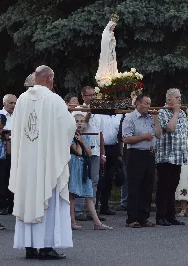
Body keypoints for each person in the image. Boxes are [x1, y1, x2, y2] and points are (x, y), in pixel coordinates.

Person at [9, 65, 76, 260]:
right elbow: (69, 125)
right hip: (47, 161)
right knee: (48, 199)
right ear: (49, 78)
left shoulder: (21, 99)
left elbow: (16, 129)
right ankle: (46, 246)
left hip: (27, 162)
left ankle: (29, 246)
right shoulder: (54, 99)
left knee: (28, 199)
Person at [122, 94, 162, 228]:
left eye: (149, 103)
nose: (148, 106)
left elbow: (158, 134)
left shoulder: (151, 118)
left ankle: (143, 217)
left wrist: (156, 120)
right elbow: (126, 139)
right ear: (138, 103)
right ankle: (132, 218)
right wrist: (143, 137)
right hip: (135, 154)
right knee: (135, 186)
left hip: (149, 154)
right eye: (146, 103)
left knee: (147, 186)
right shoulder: (130, 118)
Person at [69, 113, 113, 230]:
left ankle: (97, 222)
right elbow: (78, 151)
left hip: (84, 165)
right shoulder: (70, 136)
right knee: (72, 194)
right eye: (77, 121)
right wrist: (78, 141)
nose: (79, 123)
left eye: (81, 121)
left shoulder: (86, 136)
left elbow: (88, 152)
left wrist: (82, 140)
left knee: (89, 194)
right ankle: (72, 221)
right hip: (74, 165)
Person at [155, 89, 188, 226]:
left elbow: (186, 132)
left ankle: (171, 216)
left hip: (178, 155)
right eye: (177, 97)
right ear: (169, 100)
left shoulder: (182, 113)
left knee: (173, 186)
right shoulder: (162, 112)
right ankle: (160, 216)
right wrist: (175, 113)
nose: (180, 99)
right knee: (163, 186)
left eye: (180, 97)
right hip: (165, 155)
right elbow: (170, 128)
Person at [73, 86, 105, 222]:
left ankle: (92, 211)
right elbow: (80, 126)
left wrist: (103, 153)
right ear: (83, 96)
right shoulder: (77, 110)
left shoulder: (99, 112)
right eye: (89, 95)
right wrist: (89, 113)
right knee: (82, 178)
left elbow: (100, 134)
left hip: (96, 150)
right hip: (83, 149)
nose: (92, 97)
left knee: (94, 181)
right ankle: (79, 210)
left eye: (94, 95)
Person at [0, 94, 17, 215]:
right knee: (4, 178)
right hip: (3, 152)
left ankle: (13, 204)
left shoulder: (19, 115)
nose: (13, 106)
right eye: (11, 103)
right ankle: (2, 205)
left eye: (15, 103)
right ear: (4, 104)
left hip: (17, 151)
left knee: (14, 178)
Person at [95, 14, 119, 85]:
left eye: (114, 26)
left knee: (112, 63)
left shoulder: (112, 33)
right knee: (106, 62)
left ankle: (112, 73)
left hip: (111, 51)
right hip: (106, 51)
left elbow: (113, 43)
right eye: (113, 26)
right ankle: (105, 74)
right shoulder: (105, 32)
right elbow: (105, 42)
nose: (113, 28)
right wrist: (110, 39)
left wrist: (112, 39)